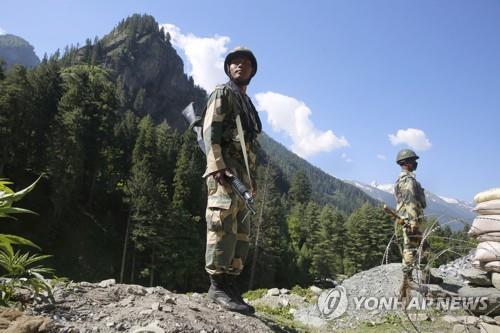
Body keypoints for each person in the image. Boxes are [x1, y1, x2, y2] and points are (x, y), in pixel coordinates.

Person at [202, 47, 262, 314]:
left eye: (246, 63)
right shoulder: (223, 93)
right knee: (221, 225)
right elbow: (210, 129)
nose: (241, 66)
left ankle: (231, 286)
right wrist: (216, 165)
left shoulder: (246, 104)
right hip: (224, 173)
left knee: (240, 233)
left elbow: (248, 147)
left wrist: (252, 180)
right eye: (235, 63)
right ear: (228, 69)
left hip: (242, 177)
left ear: (252, 71)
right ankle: (216, 288)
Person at [394, 149, 443, 289]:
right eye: (413, 160)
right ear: (406, 163)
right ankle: (408, 279)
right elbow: (410, 201)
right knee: (410, 248)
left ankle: (425, 276)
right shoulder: (408, 180)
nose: (415, 163)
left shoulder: (402, 180)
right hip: (411, 220)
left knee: (424, 247)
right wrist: (414, 222)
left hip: (409, 218)